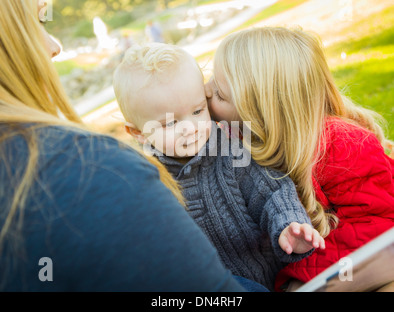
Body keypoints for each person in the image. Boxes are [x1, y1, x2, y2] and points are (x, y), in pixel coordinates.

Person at [0, 0, 259, 292]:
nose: (55, 46)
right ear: (136, 131)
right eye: (35, 21)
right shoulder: (91, 173)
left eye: (198, 109)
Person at [113, 42, 325, 291]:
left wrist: (288, 226)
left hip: (270, 280)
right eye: (169, 124)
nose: (190, 128)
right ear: (138, 132)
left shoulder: (231, 150)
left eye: (197, 110)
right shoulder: (143, 180)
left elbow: (272, 193)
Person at [205, 26, 394, 291]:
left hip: (368, 256)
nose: (205, 91)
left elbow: (376, 227)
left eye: (220, 95)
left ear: (265, 111)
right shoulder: (241, 137)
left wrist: (304, 277)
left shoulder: (342, 146)